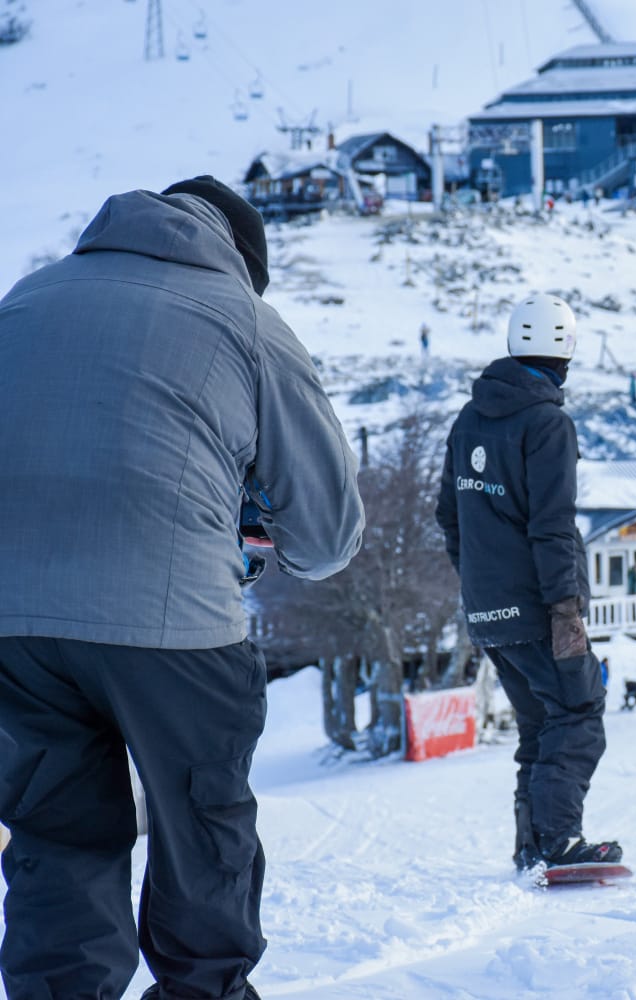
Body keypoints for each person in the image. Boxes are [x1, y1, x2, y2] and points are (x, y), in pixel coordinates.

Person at [0, 177, 365, 1000]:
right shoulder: (244, 319)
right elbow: (329, 534)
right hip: (170, 623)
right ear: (242, 259)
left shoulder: (24, 298)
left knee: (56, 837)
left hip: (11, 622)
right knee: (201, 827)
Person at [436, 293, 621, 874]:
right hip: (540, 607)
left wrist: (478, 585)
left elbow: (449, 516)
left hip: (487, 610)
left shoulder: (469, 419)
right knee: (578, 712)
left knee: (540, 724)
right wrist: (566, 610)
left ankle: (532, 845)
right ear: (566, 350)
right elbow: (553, 526)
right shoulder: (547, 423)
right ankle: (559, 843)